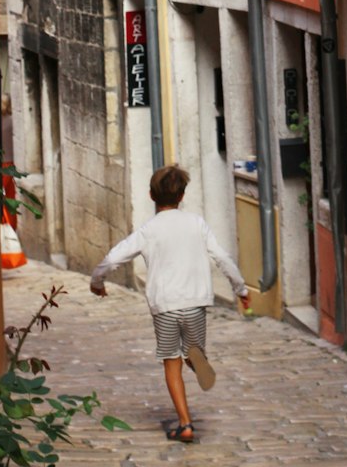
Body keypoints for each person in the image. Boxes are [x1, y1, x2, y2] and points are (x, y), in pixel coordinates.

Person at [90, 164, 250, 442]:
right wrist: (240, 288)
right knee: (191, 351)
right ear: (183, 195)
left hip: (164, 305)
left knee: (170, 362)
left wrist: (97, 281)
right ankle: (195, 357)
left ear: (151, 196)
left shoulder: (148, 230)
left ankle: (185, 424)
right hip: (195, 301)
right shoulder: (197, 224)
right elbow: (222, 258)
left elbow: (115, 257)